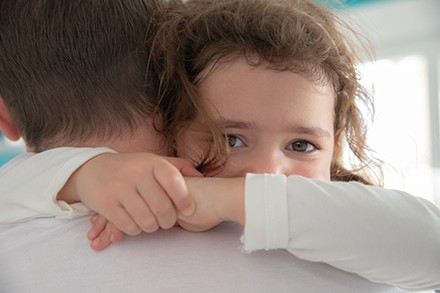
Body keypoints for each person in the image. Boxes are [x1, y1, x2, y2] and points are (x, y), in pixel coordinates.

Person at [0, 0, 438, 292]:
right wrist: (86, 171)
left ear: (334, 147)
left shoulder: (347, 220)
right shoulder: (138, 195)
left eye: (302, 145)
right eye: (231, 139)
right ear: (173, 124)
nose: (266, 171)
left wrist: (219, 195)